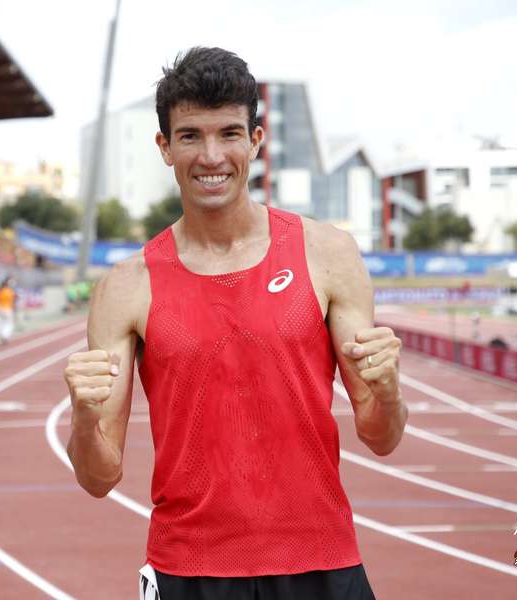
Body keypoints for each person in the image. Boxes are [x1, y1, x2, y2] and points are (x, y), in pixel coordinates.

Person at [63, 47, 406, 600]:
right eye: (191, 135)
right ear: (165, 147)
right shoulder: (125, 287)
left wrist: (387, 388)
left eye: (228, 133)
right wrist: (83, 415)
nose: (211, 155)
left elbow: (382, 436)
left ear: (256, 141)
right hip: (189, 570)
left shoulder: (328, 253)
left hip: (321, 560)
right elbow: (99, 478)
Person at [0, 277, 17, 343]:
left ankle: (2, 335)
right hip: (8, 309)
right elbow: (15, 297)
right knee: (9, 323)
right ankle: (6, 336)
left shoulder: (0, 291)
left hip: (0, 309)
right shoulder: (9, 291)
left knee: (2, 323)